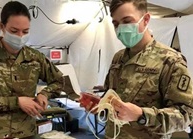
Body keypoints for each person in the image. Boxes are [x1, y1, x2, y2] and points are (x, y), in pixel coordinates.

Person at [81, 0, 193, 138]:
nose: (121, 28)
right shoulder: (118, 58)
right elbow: (112, 99)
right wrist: (101, 106)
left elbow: (186, 115)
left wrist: (142, 115)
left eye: (127, 21)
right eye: (116, 24)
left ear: (145, 19)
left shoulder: (170, 61)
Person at [0, 1, 63, 139]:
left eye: (25, 31)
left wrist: (45, 94)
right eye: (14, 31)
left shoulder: (34, 57)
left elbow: (59, 80)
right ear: (2, 26)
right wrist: (17, 102)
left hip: (26, 133)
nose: (20, 36)